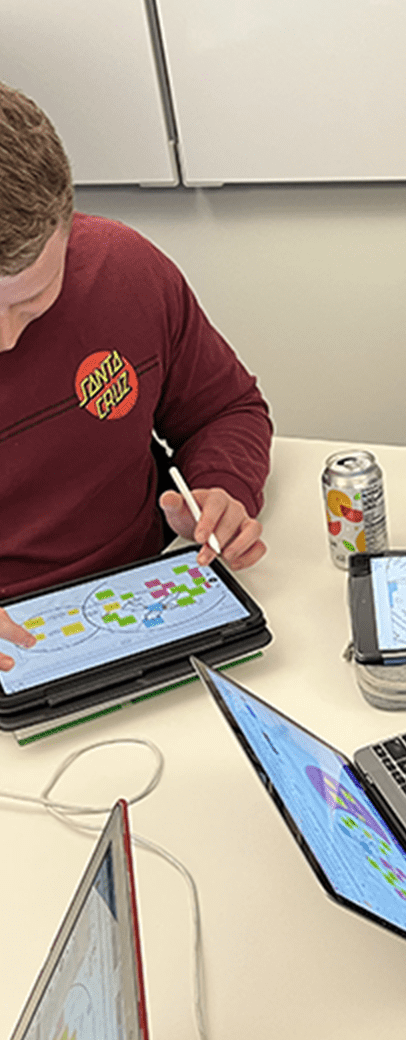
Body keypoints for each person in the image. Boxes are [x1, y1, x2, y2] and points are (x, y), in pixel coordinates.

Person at [0, 79, 273, 672]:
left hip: (151, 597)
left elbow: (226, 410)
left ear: (67, 231)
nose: (6, 339)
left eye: (32, 299)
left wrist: (220, 488)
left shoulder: (123, 270)